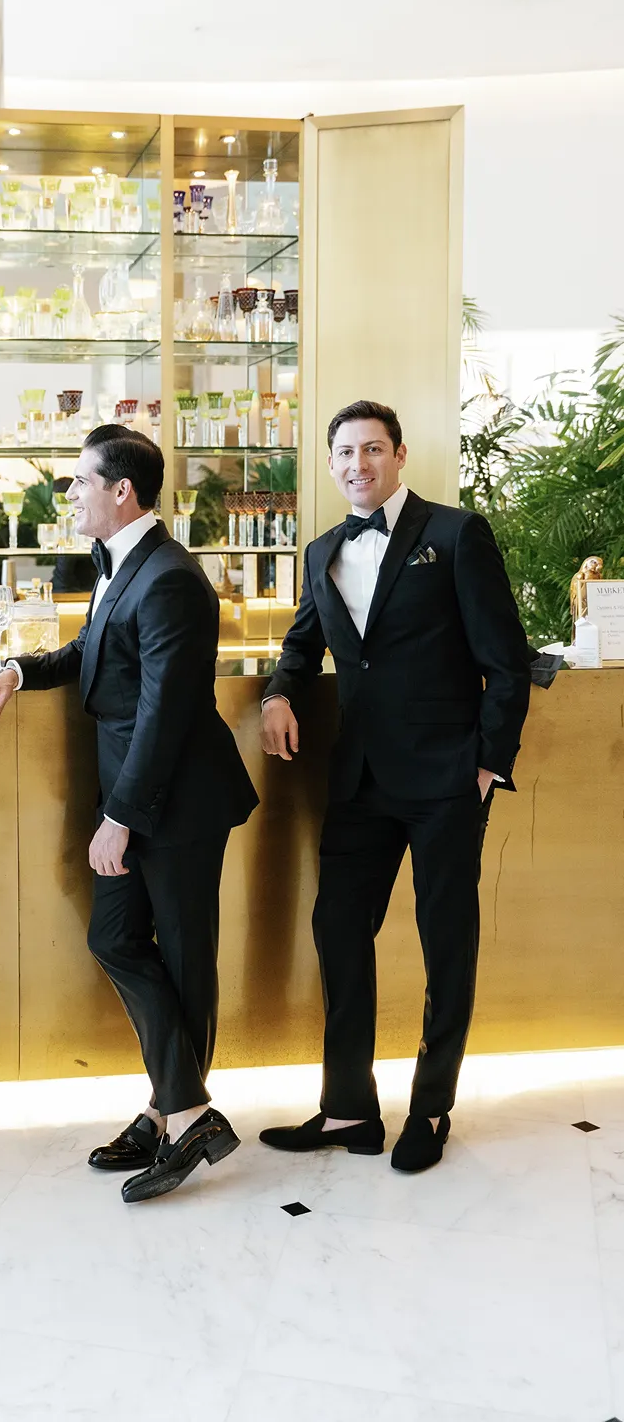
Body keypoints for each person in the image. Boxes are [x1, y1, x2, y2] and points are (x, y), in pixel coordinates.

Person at [0, 426, 258, 1202]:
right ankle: (182, 1107)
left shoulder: (169, 576)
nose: (70, 496)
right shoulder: (122, 566)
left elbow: (168, 709)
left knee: (185, 961)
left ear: (120, 491)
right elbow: (91, 658)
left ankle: (176, 1109)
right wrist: (14, 670)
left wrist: (121, 817)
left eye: (78, 483)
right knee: (116, 939)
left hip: (177, 803)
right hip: (136, 800)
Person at [258, 401, 530, 1173]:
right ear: (331, 462)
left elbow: (504, 663)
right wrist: (278, 693)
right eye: (343, 452)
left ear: (400, 455)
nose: (357, 465)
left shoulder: (453, 535)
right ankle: (348, 1108)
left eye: (372, 450)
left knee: (446, 946)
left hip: (446, 778)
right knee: (337, 932)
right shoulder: (322, 550)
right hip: (359, 780)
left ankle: (432, 1107)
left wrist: (486, 763)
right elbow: (302, 643)